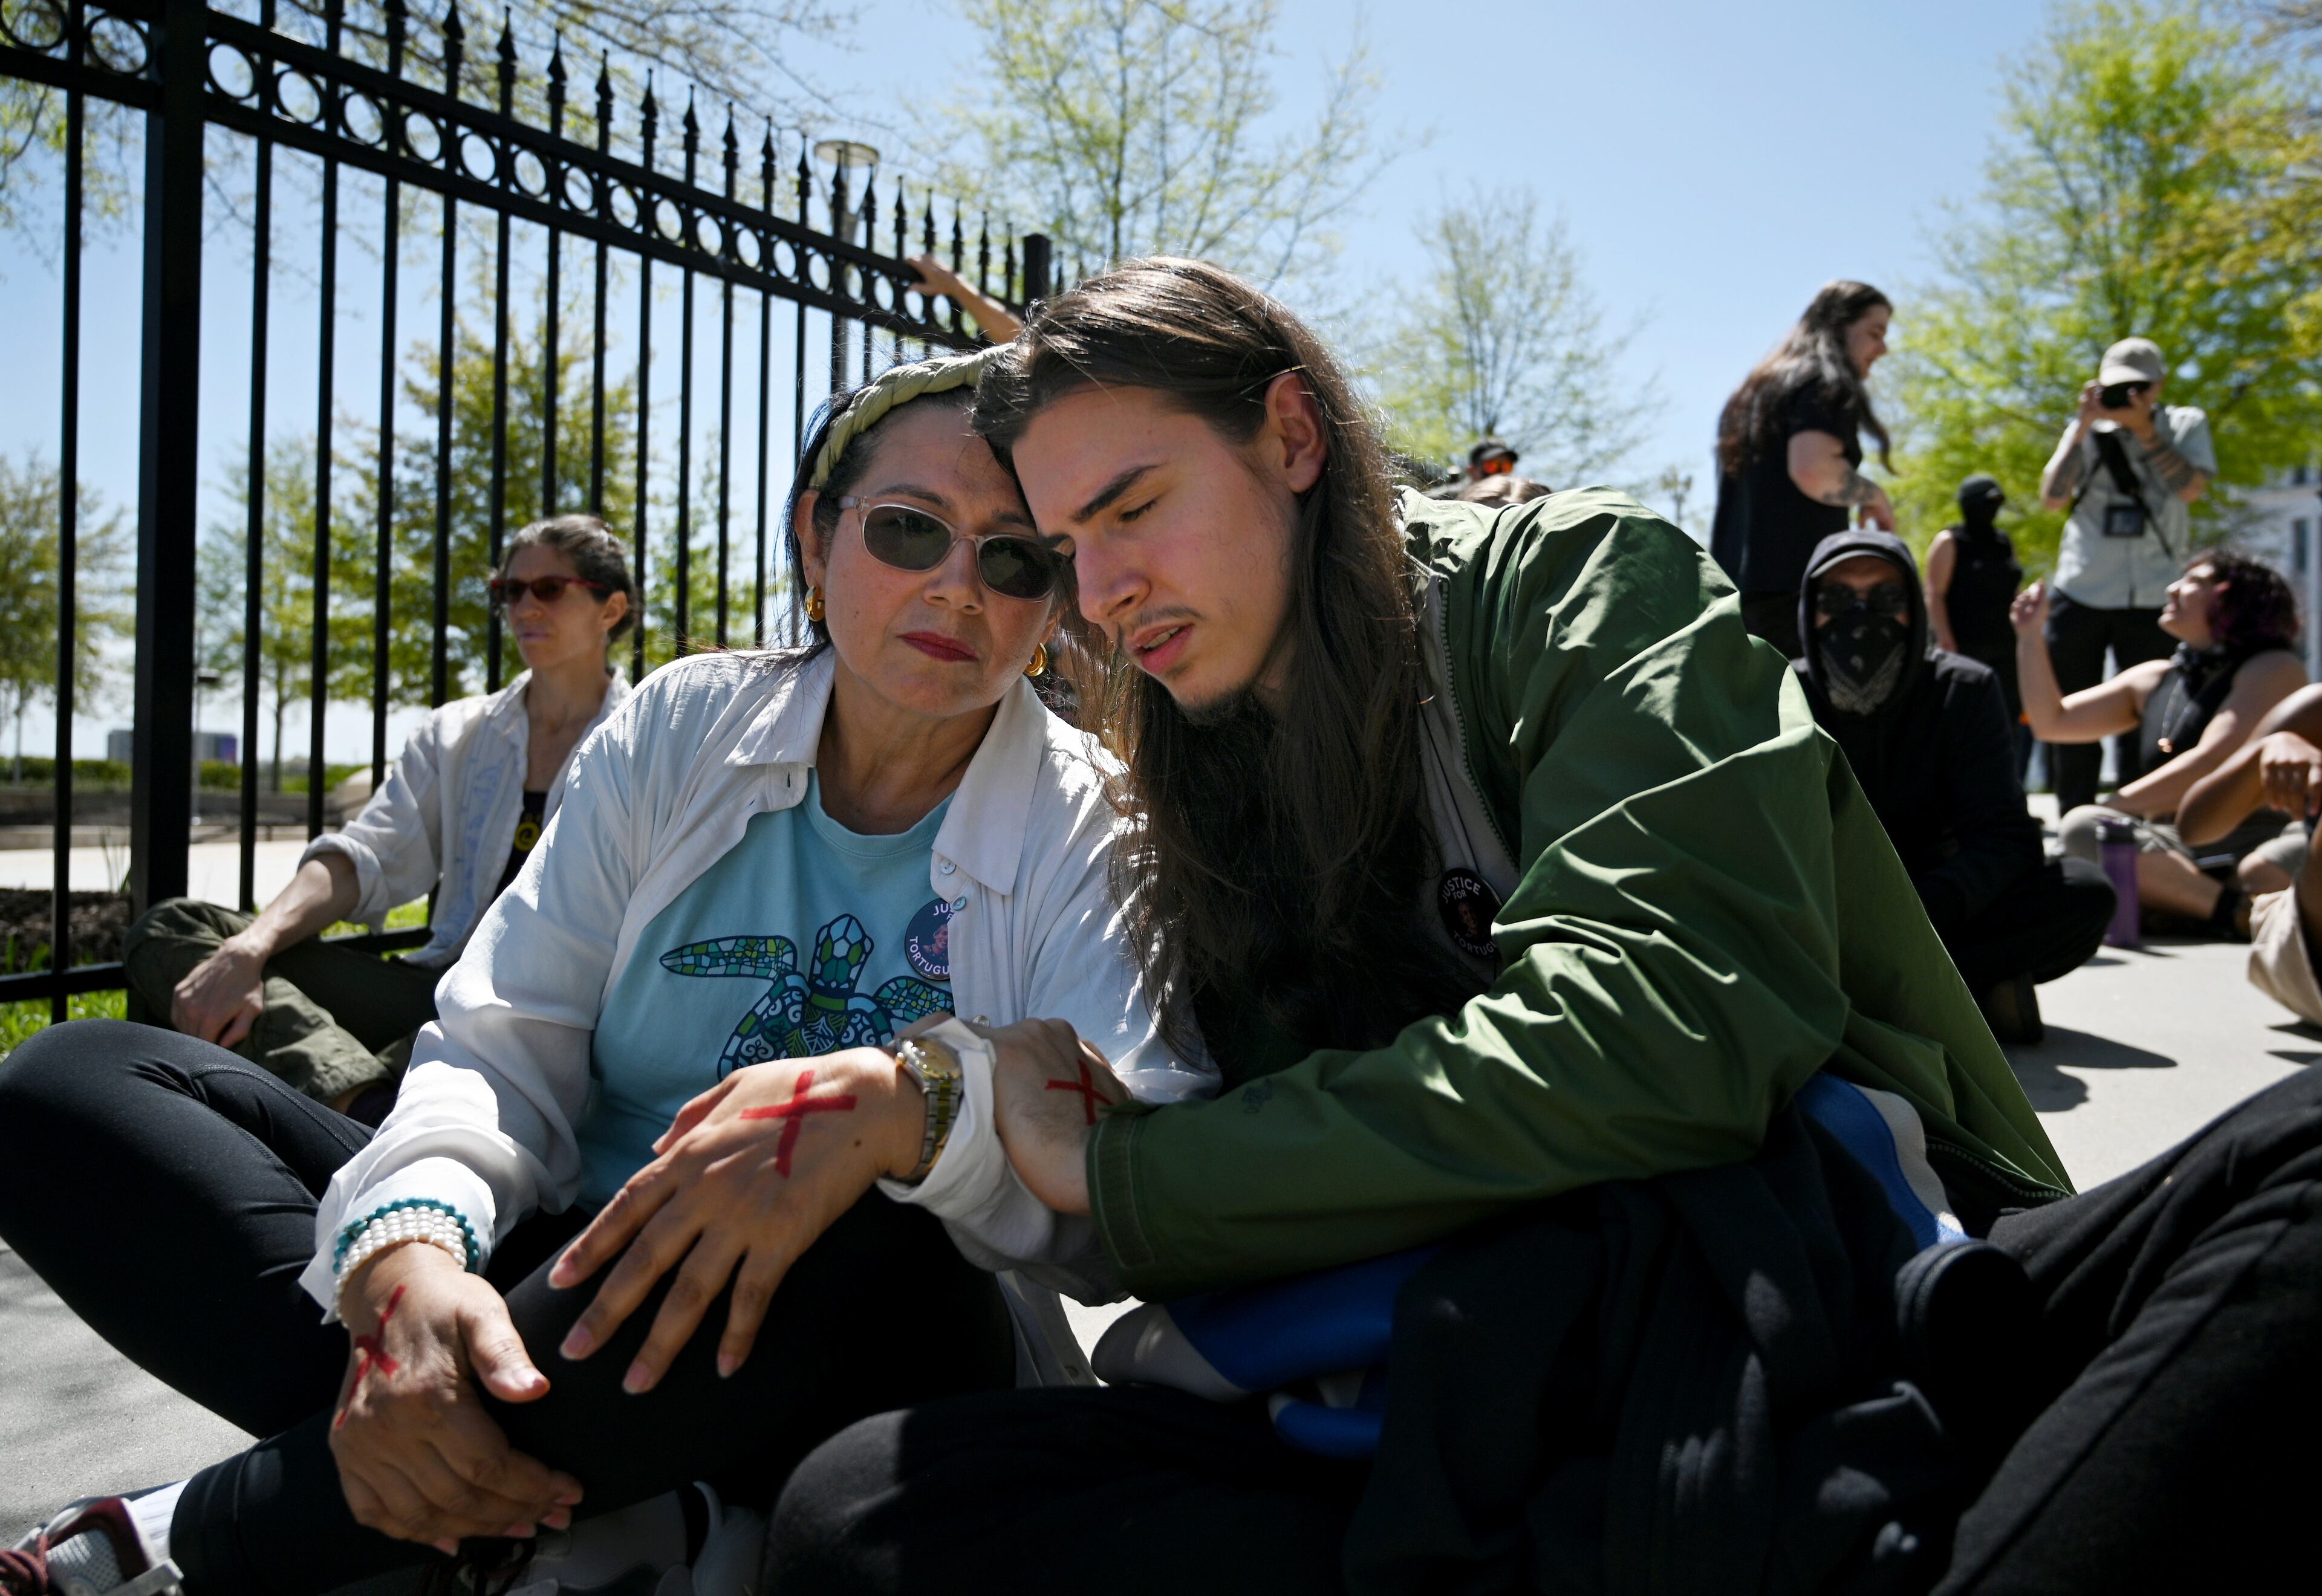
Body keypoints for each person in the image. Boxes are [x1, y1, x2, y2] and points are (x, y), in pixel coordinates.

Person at [756, 258, 2322, 1595]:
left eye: (1134, 508)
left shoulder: (1578, 587)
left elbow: (1668, 1026)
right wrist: (973, 1111)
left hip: (1837, 1299)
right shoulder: (1186, 762)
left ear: (1291, 434)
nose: (1099, 594)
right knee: (861, 1511)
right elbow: (1268, 1167)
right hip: (1471, 1381)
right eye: (1065, 549)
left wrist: (1132, 1173)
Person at [0, 351, 1212, 1596]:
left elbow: (1124, 1169)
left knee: (883, 1219)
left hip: (850, 1348)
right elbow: (500, 1036)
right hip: (562, 1264)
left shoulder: (1096, 826)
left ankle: (203, 1534)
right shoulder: (682, 725)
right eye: (909, 530)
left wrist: (918, 1110)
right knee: (72, 1082)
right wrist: (407, 1259)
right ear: (816, 534)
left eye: (1017, 559)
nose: (959, 589)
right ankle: (598, 1518)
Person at [117, 516, 637, 1124]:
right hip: (438, 989)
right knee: (174, 930)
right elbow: (367, 855)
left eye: (548, 588)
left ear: (611, 608)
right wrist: (249, 949)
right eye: (508, 591)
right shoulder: (459, 733)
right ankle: (367, 1104)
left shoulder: (644, 743)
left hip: (555, 1016)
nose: (524, 605)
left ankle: (353, 1091)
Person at [1791, 530, 2113, 1042]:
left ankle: (1873, 997)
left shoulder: (1963, 689)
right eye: (1837, 599)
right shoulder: (1779, 694)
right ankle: (1960, 993)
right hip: (1819, 913)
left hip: (1935, 911)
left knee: (2082, 893)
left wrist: (1918, 908)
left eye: (1886, 598)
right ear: (1811, 610)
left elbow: (2004, 837)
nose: (1862, 615)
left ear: (1913, 609)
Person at [2014, 550, 2306, 938]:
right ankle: (2231, 912)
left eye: (2193, 582)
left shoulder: (2274, 667)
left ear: (2233, 599)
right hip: (2175, 844)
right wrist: (2030, 637)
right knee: (2086, 829)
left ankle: (2188, 903)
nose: (2172, 589)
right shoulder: (2155, 678)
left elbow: (2212, 761)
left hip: (2260, 837)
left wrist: (2116, 805)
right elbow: (2052, 722)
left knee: (2263, 869)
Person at [2036, 336, 2218, 814]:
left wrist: (2146, 433)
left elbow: (2192, 489)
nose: (2125, 397)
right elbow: (2052, 497)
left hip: (2157, 593)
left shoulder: (2185, 424)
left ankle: (2138, 820)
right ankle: (2075, 819)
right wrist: (2081, 428)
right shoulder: (2087, 430)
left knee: (2149, 716)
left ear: (2158, 387)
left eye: (2136, 388)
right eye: (2115, 388)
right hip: (2084, 589)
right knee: (2073, 713)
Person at [1710, 279, 1896, 658]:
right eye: (1874, 333)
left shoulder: (1753, 393)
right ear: (1839, 325)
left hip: (1731, 601)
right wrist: (1874, 495)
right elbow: (1814, 471)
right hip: (1794, 600)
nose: (1883, 349)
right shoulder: (1824, 381)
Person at [2177, 686, 2322, 1023]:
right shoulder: (2314, 709)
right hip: (2306, 942)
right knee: (2088, 830)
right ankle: (2230, 910)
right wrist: (2269, 748)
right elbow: (2196, 827)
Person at [1924, 473, 2029, 777]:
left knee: (2009, 722)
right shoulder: (1950, 541)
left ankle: (2010, 795)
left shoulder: (2003, 542)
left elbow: (2012, 591)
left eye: (1997, 503)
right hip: (1964, 647)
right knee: (1962, 722)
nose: (1992, 509)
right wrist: (1946, 643)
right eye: (1986, 503)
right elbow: (1934, 593)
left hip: (2006, 647)